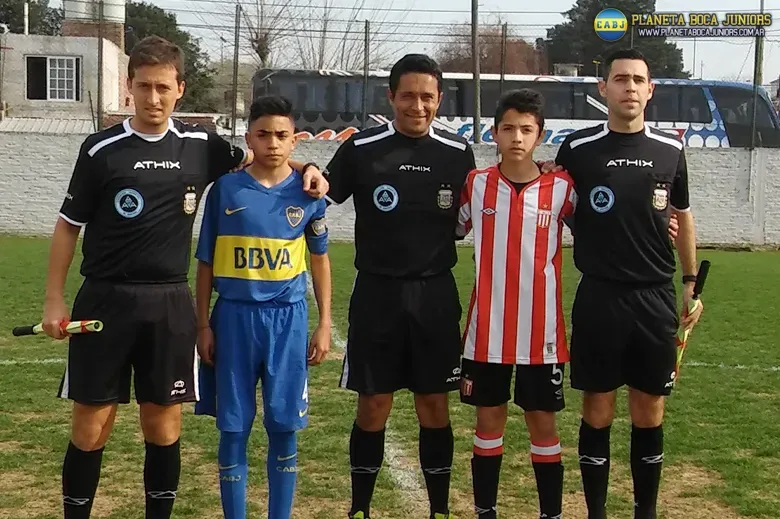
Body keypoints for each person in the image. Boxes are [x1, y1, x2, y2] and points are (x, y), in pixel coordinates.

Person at [41, 36, 328, 519]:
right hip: (105, 300)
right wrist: (53, 297)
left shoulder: (201, 146)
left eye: (163, 87)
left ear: (180, 89)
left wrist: (310, 166)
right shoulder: (100, 149)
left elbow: (265, 153)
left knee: (163, 427)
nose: (153, 98)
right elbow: (69, 225)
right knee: (91, 427)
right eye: (143, 86)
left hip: (170, 303)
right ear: (129, 88)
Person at [547, 48, 704, 519]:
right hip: (599, 296)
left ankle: (644, 511)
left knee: (648, 408)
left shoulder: (670, 150)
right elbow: (557, 206)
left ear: (651, 90)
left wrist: (690, 280)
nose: (630, 87)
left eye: (638, 80)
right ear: (603, 88)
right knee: (597, 407)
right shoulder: (577, 149)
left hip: (655, 297)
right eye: (620, 79)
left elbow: (682, 215)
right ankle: (596, 512)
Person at [324, 54, 476, 519]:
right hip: (378, 294)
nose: (417, 105)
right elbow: (319, 191)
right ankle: (360, 510)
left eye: (427, 96)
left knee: (434, 405)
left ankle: (440, 510)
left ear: (439, 100)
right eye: (408, 95)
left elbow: (483, 208)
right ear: (391, 97)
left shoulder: (457, 152)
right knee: (373, 406)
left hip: (434, 295)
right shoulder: (363, 147)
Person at [192, 94, 332, 519]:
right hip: (233, 318)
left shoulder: (310, 192)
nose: (273, 143)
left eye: (282, 135)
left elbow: (320, 260)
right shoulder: (226, 189)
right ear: (250, 137)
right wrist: (202, 324)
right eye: (264, 134)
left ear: (294, 141)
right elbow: (205, 262)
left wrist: (325, 322)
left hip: (287, 322)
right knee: (233, 427)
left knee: (284, 426)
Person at [457, 89, 574, 519]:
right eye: (508, 128)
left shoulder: (562, 187)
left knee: (542, 424)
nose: (517, 137)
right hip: (486, 333)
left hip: (541, 334)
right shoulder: (477, 184)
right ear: (494, 132)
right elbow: (447, 228)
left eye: (527, 129)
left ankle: (551, 513)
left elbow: (606, 226)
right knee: (488, 424)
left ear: (540, 135)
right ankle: (485, 511)